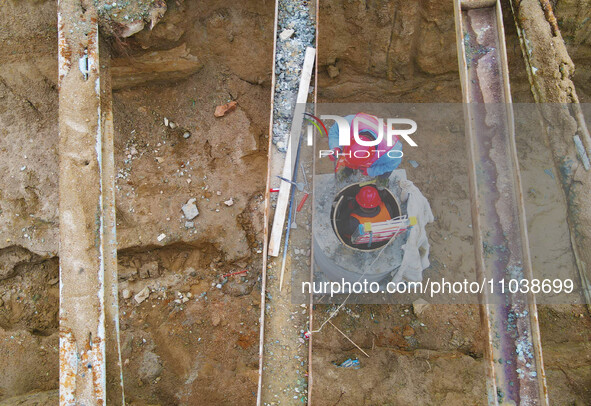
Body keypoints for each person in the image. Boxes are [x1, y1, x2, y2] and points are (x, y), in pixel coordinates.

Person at [328, 112, 403, 187]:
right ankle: (348, 171)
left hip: (384, 137)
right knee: (352, 160)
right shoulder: (349, 123)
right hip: (368, 124)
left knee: (386, 171)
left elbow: (391, 165)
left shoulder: (392, 152)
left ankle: (382, 179)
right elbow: (335, 131)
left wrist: (371, 171)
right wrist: (335, 146)